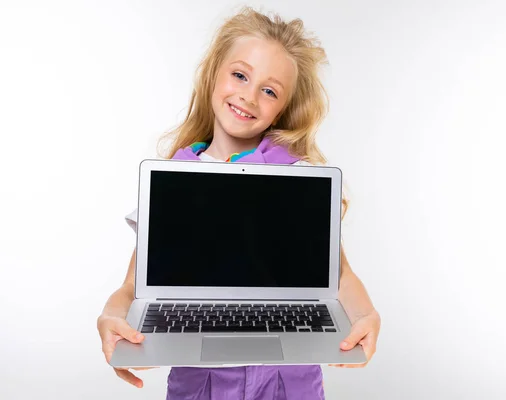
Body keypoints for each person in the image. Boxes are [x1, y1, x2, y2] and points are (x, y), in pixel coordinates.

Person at [96, 6, 381, 400]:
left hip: (288, 382)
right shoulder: (173, 181)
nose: (249, 95)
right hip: (202, 385)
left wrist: (365, 316)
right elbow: (132, 288)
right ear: (215, 72)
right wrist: (112, 317)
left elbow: (341, 277)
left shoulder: (296, 177)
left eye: (269, 90)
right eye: (240, 75)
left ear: (283, 106)